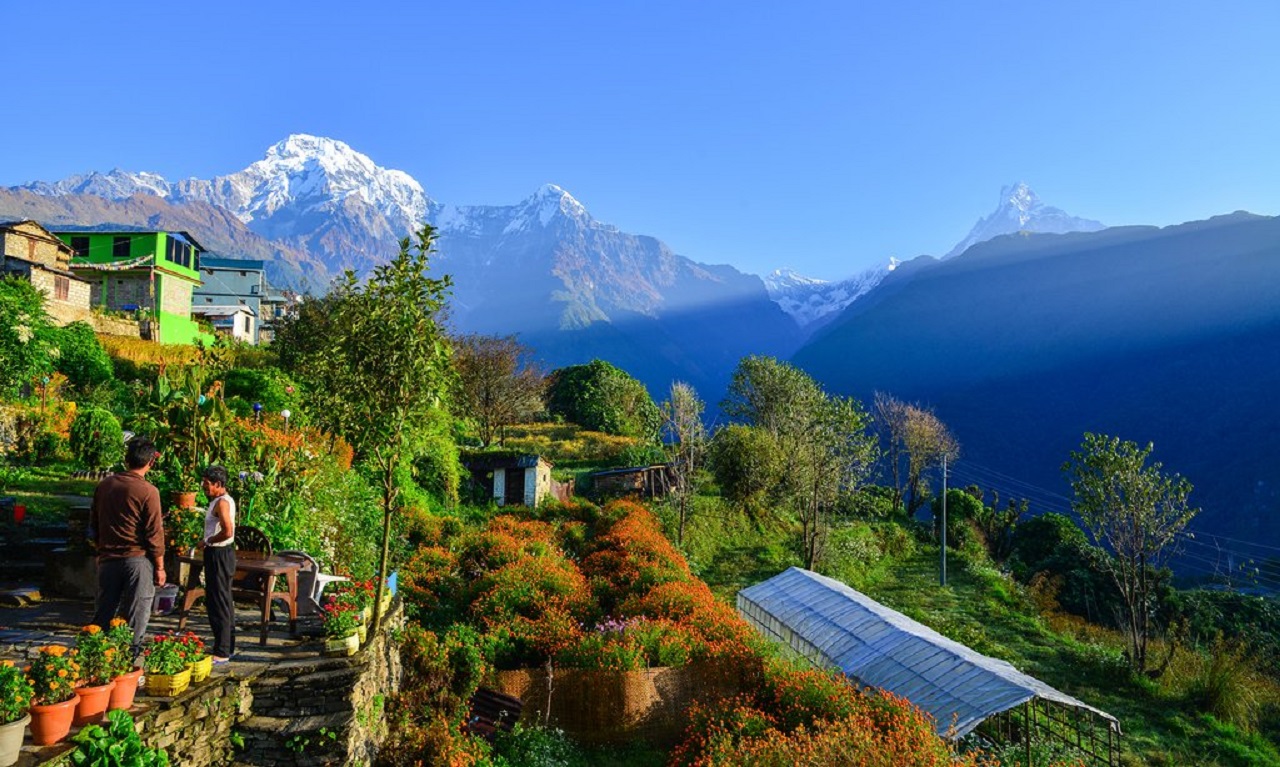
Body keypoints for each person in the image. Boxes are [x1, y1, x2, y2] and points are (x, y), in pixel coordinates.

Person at [91, 436, 165, 654]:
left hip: (108, 559)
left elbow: (94, 522)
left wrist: (99, 550)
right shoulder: (148, 491)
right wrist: (160, 567)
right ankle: (127, 660)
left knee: (104, 611)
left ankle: (95, 657)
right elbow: (154, 532)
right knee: (136, 614)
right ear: (151, 462)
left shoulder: (105, 485)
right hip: (137, 560)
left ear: (126, 459)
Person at [199, 465, 237, 662]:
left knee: (218, 602)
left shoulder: (222, 503)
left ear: (218, 484)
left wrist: (208, 541)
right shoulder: (222, 500)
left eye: (207, 484)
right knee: (224, 599)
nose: (204, 487)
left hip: (219, 553)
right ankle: (227, 646)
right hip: (223, 553)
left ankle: (222, 650)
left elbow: (227, 531)